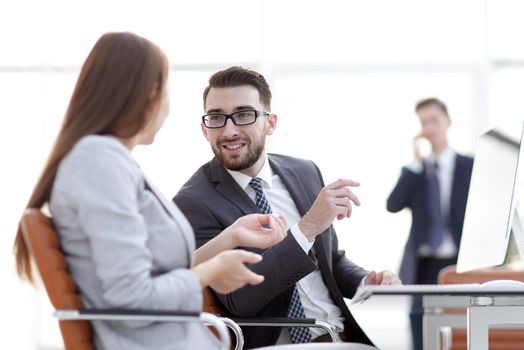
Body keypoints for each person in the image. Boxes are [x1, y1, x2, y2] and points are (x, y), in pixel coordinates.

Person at [12, 32, 289, 350]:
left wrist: (232, 236)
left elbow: (154, 275)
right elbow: (133, 298)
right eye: (167, 93)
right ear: (150, 94)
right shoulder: (98, 164)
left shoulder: (108, 161)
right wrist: (211, 272)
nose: (168, 109)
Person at [173, 66, 401, 349]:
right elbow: (239, 299)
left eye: (244, 115)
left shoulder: (304, 172)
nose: (229, 130)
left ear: (270, 123)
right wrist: (306, 228)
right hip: (280, 344)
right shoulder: (193, 202)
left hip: (343, 337)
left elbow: (330, 260)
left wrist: (368, 283)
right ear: (204, 129)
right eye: (217, 118)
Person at [386, 97, 474, 350]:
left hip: (458, 262)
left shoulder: (469, 166)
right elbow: (392, 205)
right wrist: (416, 164)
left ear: (448, 121)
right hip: (423, 264)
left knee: (461, 326)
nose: (430, 128)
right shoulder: (415, 171)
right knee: (419, 324)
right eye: (424, 123)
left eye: (434, 120)